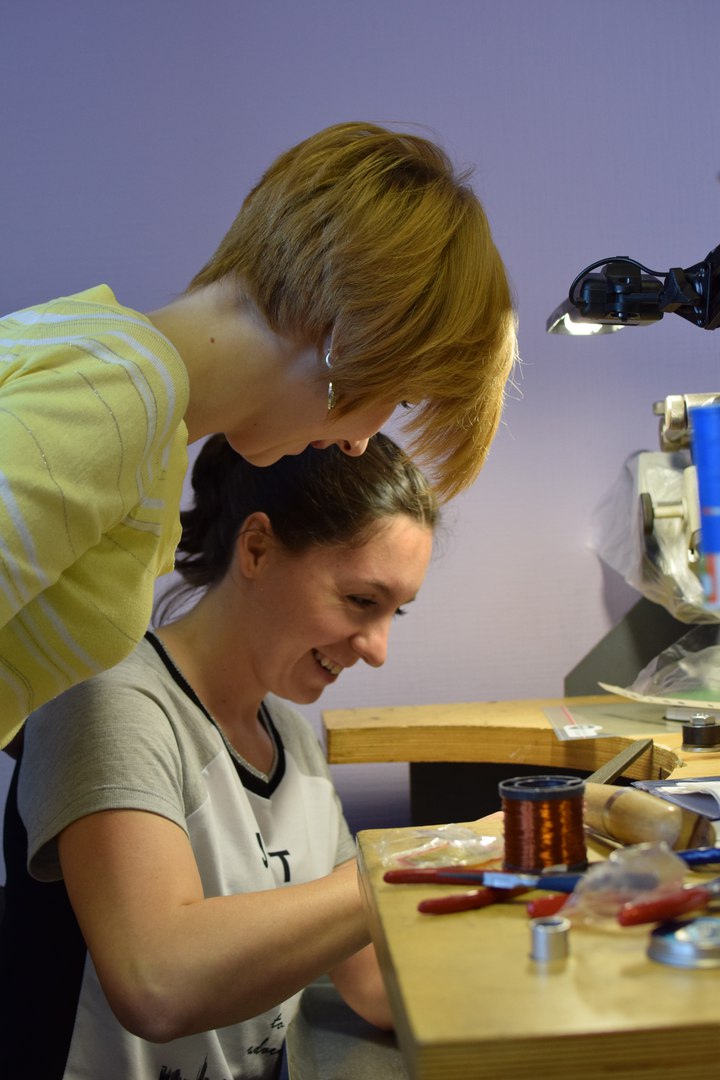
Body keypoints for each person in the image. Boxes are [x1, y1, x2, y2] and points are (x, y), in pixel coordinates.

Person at [0, 120, 516, 749]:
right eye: (399, 394)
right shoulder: (116, 397)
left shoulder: (134, 404)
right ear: (349, 340)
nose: (360, 443)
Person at [0, 430, 439, 1079]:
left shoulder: (290, 740)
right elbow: (157, 981)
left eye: (394, 613)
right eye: (361, 601)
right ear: (257, 549)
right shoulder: (106, 702)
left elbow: (371, 983)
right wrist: (412, 866)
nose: (377, 648)